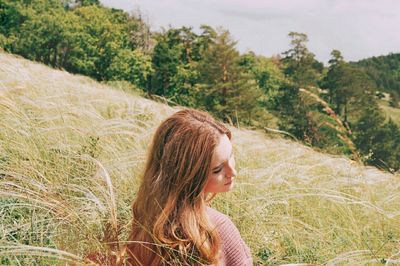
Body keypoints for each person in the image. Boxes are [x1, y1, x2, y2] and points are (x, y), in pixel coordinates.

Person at [127, 109, 252, 265]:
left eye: (231, 155)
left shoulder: (146, 214)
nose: (232, 172)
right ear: (188, 175)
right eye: (217, 169)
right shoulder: (218, 226)